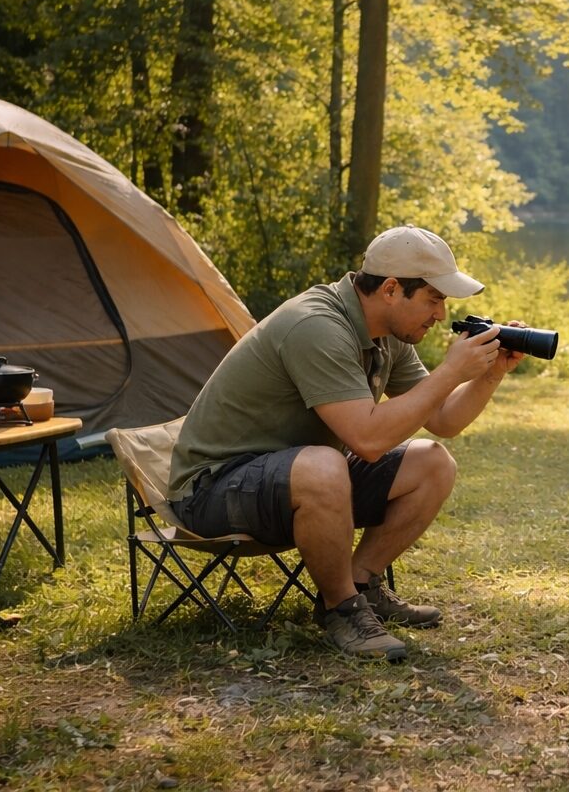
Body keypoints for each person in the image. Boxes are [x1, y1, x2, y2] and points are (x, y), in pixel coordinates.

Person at [167, 225, 525, 661]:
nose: (440, 313)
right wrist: (449, 371)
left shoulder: (385, 334)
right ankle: (341, 610)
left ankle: (360, 585)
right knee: (323, 465)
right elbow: (369, 439)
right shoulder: (317, 325)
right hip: (214, 492)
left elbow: (443, 420)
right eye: (433, 298)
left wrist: (490, 373)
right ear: (392, 289)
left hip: (296, 478)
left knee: (433, 462)